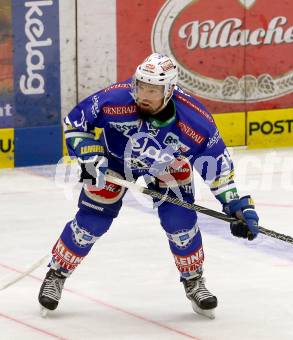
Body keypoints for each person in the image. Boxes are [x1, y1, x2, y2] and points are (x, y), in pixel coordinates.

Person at [38, 53, 260, 319]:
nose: (143, 94)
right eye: (140, 85)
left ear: (169, 91)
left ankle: (194, 280)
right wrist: (89, 154)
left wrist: (236, 204)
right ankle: (56, 273)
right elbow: (75, 124)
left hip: (166, 166)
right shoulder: (116, 98)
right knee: (91, 221)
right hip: (108, 160)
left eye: (152, 89)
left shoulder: (196, 122)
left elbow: (218, 171)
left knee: (180, 222)